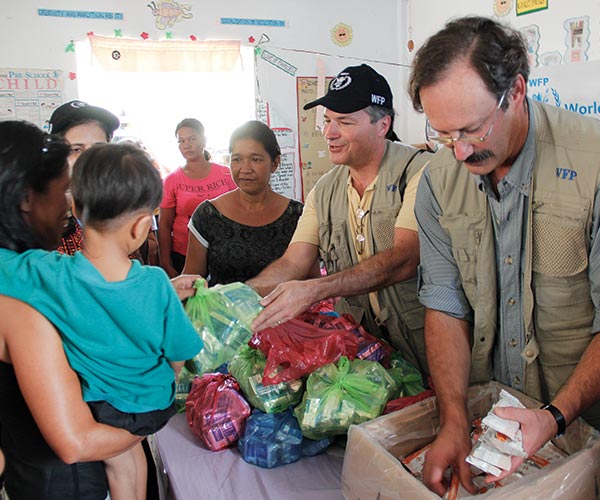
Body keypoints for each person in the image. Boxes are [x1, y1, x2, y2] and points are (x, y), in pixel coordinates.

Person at [409, 16, 600, 496]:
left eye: (472, 129)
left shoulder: (593, 164)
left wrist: (554, 417)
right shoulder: (437, 180)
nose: (460, 152)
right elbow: (444, 302)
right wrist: (453, 419)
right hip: (492, 422)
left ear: (515, 91)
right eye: (445, 135)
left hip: (586, 425)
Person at [0, 121, 201, 500]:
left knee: (121, 460)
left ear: (76, 209)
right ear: (144, 225)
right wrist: (160, 385)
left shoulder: (48, 274)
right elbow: (180, 352)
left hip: (98, 407)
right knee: (130, 459)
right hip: (149, 408)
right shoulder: (156, 283)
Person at [248, 64, 432, 375]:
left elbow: (404, 258)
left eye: (344, 122)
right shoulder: (325, 189)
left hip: (424, 342)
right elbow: (293, 263)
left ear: (382, 124)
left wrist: (315, 289)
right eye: (328, 121)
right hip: (363, 350)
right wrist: (237, 295)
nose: (329, 133)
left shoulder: (420, 171)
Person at [183, 120, 303, 285]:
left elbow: (309, 278)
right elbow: (191, 282)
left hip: (285, 311)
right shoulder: (208, 215)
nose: (245, 169)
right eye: (237, 159)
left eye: (256, 159)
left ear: (275, 163)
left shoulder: (297, 215)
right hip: (220, 310)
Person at [159, 118, 236, 278]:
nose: (187, 145)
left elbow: (240, 211)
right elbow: (165, 224)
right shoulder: (172, 180)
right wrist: (165, 262)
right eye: (181, 141)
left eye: (192, 139)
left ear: (204, 140)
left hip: (224, 251)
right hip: (184, 254)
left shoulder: (226, 174)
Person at [48, 100, 121, 255]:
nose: (89, 157)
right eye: (77, 149)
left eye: (99, 148)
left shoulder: (122, 203)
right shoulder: (41, 214)